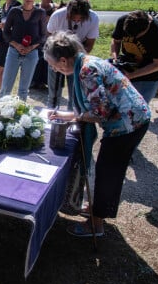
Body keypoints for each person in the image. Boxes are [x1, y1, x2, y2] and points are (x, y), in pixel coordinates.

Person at [44, 31, 150, 237]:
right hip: (131, 120)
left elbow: (100, 112)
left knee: (107, 173)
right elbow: (95, 109)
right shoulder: (85, 62)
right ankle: (97, 211)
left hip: (128, 125)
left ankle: (96, 224)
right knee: (107, 170)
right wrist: (67, 116)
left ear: (64, 60)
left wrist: (74, 116)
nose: (52, 68)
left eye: (53, 64)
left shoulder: (86, 71)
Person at [47, 0, 100, 110]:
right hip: (56, 55)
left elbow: (89, 44)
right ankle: (51, 115)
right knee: (53, 94)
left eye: (79, 19)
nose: (76, 21)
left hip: (76, 57)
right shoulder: (57, 16)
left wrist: (75, 61)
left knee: (75, 94)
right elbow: (48, 36)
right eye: (73, 19)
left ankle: (72, 118)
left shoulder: (93, 18)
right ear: (68, 12)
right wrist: (55, 61)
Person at [111, 10, 158, 104]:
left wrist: (131, 76)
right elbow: (116, 41)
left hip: (149, 76)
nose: (133, 37)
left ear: (148, 25)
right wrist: (115, 58)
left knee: (138, 108)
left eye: (136, 35)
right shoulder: (123, 20)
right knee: (117, 105)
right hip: (128, 67)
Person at [0, 0, 46, 101]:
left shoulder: (40, 13)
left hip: (31, 54)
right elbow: (6, 32)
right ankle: (0, 115)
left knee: (23, 90)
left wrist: (31, 47)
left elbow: (43, 35)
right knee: (6, 88)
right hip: (14, 52)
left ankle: (20, 115)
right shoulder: (15, 11)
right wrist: (16, 44)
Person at [31, 0, 57, 90]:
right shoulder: (35, 7)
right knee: (36, 59)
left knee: (47, 60)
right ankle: (33, 81)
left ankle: (43, 82)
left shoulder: (55, 8)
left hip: (49, 38)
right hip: (37, 37)